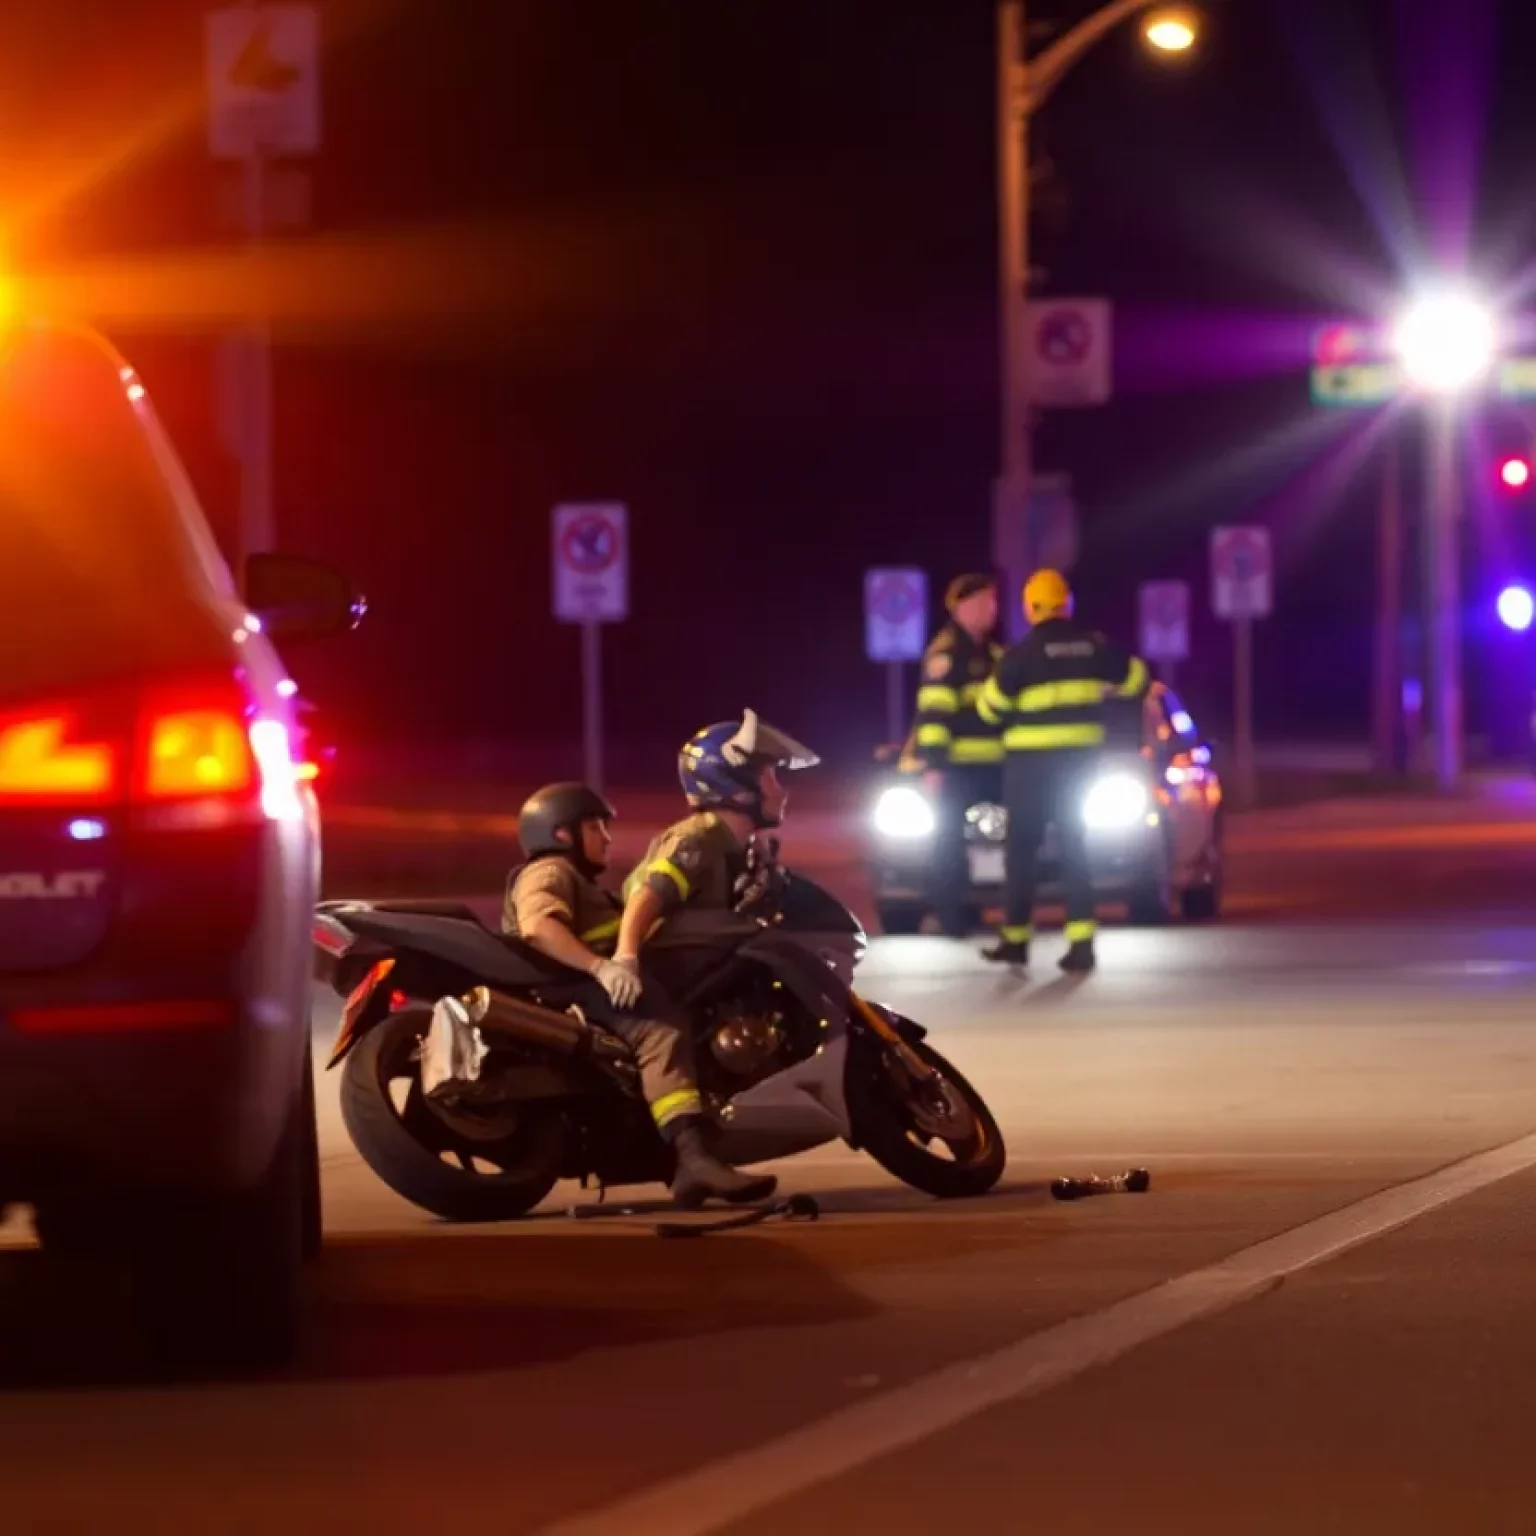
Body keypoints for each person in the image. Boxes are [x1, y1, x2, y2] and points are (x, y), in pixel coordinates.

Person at [502, 781, 774, 1208]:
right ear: (561, 833)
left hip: (583, 983)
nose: (606, 838)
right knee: (661, 1032)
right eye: (595, 828)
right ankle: (693, 1157)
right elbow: (538, 927)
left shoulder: (578, 881)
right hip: (575, 987)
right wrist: (602, 967)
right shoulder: (549, 870)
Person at [976, 569, 1150, 973]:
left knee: (1021, 854)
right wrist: (1105, 689)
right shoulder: (1094, 648)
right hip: (1079, 767)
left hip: (1029, 771)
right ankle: (1081, 944)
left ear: (1030, 608)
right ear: (1067, 604)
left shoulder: (1020, 656)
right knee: (1075, 849)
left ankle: (1016, 941)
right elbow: (1140, 681)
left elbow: (989, 709)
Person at [910, 572, 1005, 935]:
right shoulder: (946, 655)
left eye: (993, 601)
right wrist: (934, 766)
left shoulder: (995, 655)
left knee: (998, 839)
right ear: (963, 606)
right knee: (949, 841)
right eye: (985, 601)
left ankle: (988, 906)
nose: (992, 609)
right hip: (957, 769)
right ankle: (950, 915)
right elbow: (934, 715)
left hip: (995, 766)